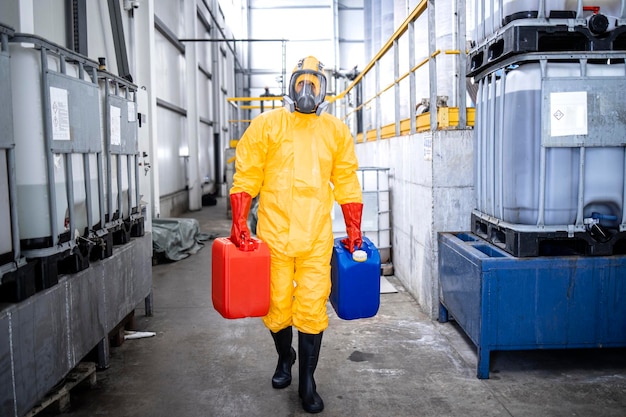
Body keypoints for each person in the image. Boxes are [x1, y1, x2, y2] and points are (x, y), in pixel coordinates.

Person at [229, 56, 363, 414]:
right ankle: (284, 356)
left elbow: (347, 178)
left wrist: (353, 226)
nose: (307, 90)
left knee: (311, 306)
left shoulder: (335, 131)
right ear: (290, 85)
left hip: (315, 238)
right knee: (275, 305)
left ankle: (307, 382)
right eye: (301, 82)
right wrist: (239, 219)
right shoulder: (267, 125)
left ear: (323, 89)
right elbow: (247, 173)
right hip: (273, 236)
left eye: (314, 84)